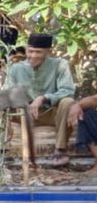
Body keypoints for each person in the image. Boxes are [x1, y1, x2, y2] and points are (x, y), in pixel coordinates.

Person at [4, 33, 76, 166]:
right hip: (24, 114)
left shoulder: (60, 64)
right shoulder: (16, 68)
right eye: (30, 51)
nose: (33, 56)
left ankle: (60, 150)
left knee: (68, 102)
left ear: (48, 52)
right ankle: (3, 150)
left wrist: (44, 98)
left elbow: (68, 90)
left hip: (51, 113)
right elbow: (7, 93)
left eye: (38, 52)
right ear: (26, 50)